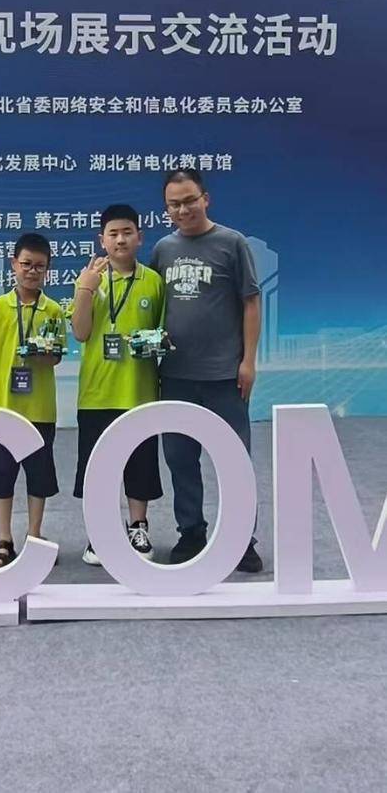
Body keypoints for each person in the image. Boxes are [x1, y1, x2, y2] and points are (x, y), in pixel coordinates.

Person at [150, 169, 263, 572]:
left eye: (189, 201)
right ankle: (191, 532)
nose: (183, 210)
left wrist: (248, 361)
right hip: (176, 375)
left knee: (234, 460)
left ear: (205, 199)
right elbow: (153, 303)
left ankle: (242, 539)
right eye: (174, 205)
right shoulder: (163, 249)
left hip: (224, 375)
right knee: (180, 459)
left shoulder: (232, 243)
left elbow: (251, 302)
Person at [0, 232, 65, 570]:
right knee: (1, 477)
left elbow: (56, 357)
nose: (32, 271)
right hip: (3, 409)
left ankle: (35, 535)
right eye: (26, 264)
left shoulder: (53, 310)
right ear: (13, 265)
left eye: (39, 266)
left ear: (47, 270)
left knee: (39, 478)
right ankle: (3, 539)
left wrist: (40, 353)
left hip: (40, 410)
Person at [70, 204, 166, 564]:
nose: (120, 239)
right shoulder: (89, 277)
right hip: (96, 393)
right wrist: (86, 290)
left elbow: (161, 334)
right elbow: (80, 332)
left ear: (140, 237)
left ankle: (138, 527)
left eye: (127, 232)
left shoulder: (153, 281)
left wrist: (153, 342)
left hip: (139, 392)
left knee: (140, 465)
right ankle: (101, 532)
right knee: (98, 468)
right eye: (113, 233)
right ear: (102, 240)